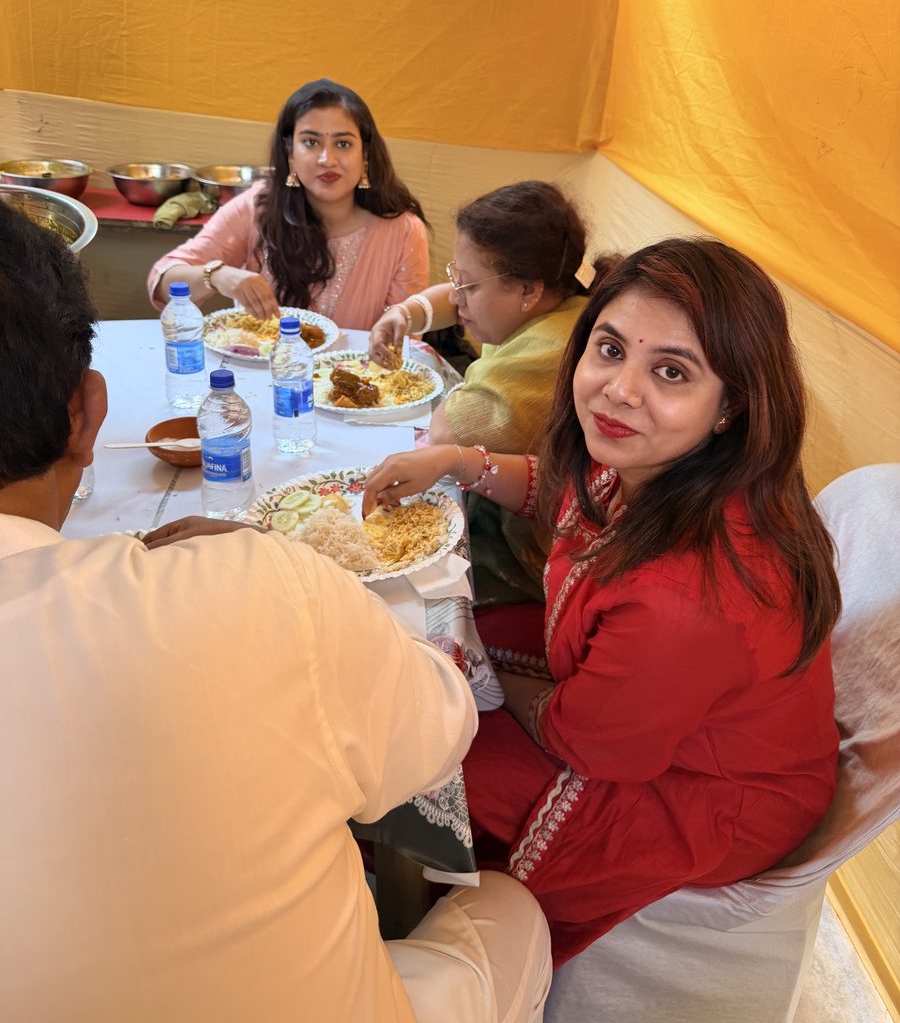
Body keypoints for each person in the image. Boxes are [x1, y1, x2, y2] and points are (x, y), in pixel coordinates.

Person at [0, 199, 551, 1021]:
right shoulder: (264, 586)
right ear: (88, 410)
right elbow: (431, 741)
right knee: (514, 915)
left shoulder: (398, 235)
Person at [362, 237, 841, 967]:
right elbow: (564, 496)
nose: (620, 390)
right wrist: (461, 463)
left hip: (701, 789)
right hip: (655, 701)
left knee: (412, 747)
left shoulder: (690, 593)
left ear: (731, 406)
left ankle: (399, 953)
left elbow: (591, 742)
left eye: (671, 372)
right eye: (610, 350)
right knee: (432, 646)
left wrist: (487, 679)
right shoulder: (661, 466)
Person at [369, 181, 614, 605]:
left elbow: (447, 434)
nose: (457, 297)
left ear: (528, 290)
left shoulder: (552, 347)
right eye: (455, 278)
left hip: (525, 558)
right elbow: (452, 299)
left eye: (469, 285)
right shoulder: (556, 299)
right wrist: (404, 313)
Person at [147, 78, 430, 328]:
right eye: (310, 142)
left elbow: (405, 339)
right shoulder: (257, 208)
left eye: (343, 144)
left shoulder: (403, 231)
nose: (326, 160)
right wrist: (217, 275)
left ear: (365, 154)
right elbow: (161, 283)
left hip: (358, 384)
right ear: (290, 153)